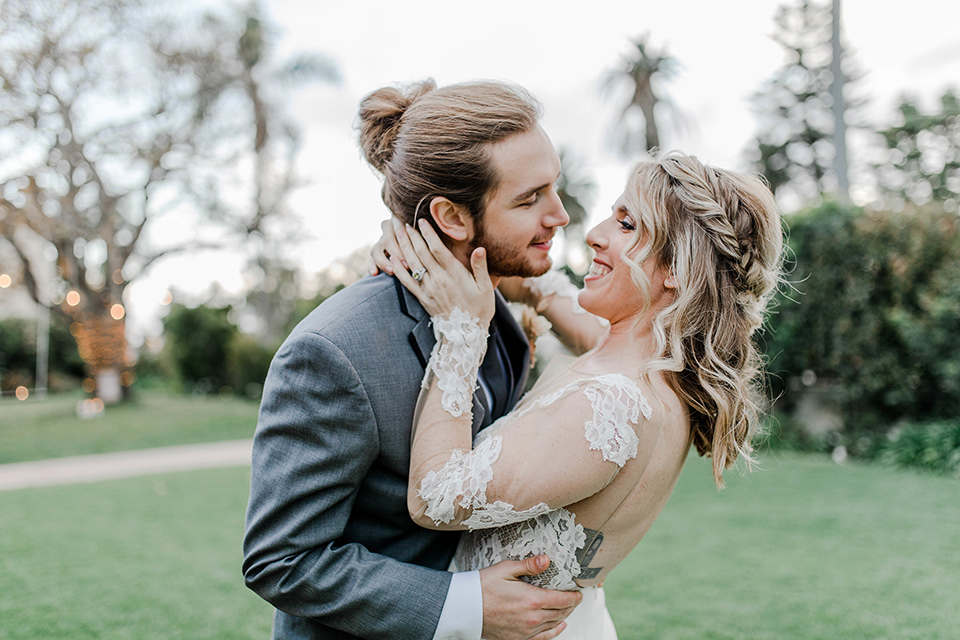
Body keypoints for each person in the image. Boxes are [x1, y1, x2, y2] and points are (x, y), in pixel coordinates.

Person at [378, 152, 784, 637]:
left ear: (675, 268)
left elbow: (434, 498)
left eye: (627, 224)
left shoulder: (612, 404)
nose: (595, 233)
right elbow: (562, 305)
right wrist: (497, 266)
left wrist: (461, 327)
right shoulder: (657, 369)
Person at [242, 79, 582, 640]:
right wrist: (467, 605)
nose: (560, 215)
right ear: (451, 217)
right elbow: (281, 560)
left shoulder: (496, 307)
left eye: (555, 187)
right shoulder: (334, 351)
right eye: (530, 199)